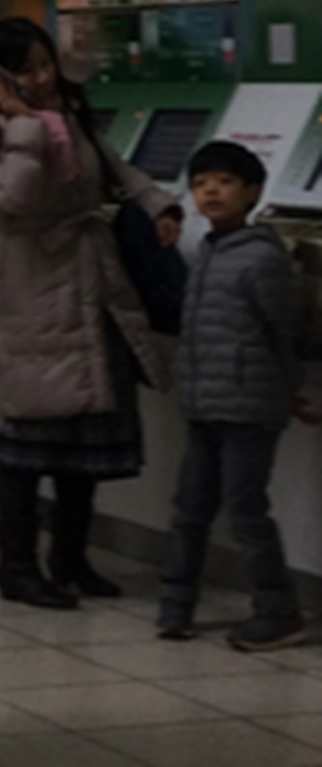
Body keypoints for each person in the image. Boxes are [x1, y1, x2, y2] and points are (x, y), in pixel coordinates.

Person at [0, 16, 179, 612]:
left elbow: (113, 168)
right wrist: (25, 127)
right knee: (29, 442)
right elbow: (12, 202)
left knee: (84, 437)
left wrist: (159, 202)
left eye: (45, 63)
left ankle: (70, 557)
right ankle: (16, 566)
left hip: (93, 284)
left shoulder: (68, 113)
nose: (42, 78)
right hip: (40, 296)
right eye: (25, 70)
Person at [158, 140, 309, 650]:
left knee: (245, 511)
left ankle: (279, 611)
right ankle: (176, 606)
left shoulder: (262, 257)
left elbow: (281, 333)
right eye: (201, 183)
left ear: (252, 192)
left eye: (224, 182)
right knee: (190, 509)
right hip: (204, 403)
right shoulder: (207, 251)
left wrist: (288, 391)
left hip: (248, 405)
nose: (211, 192)